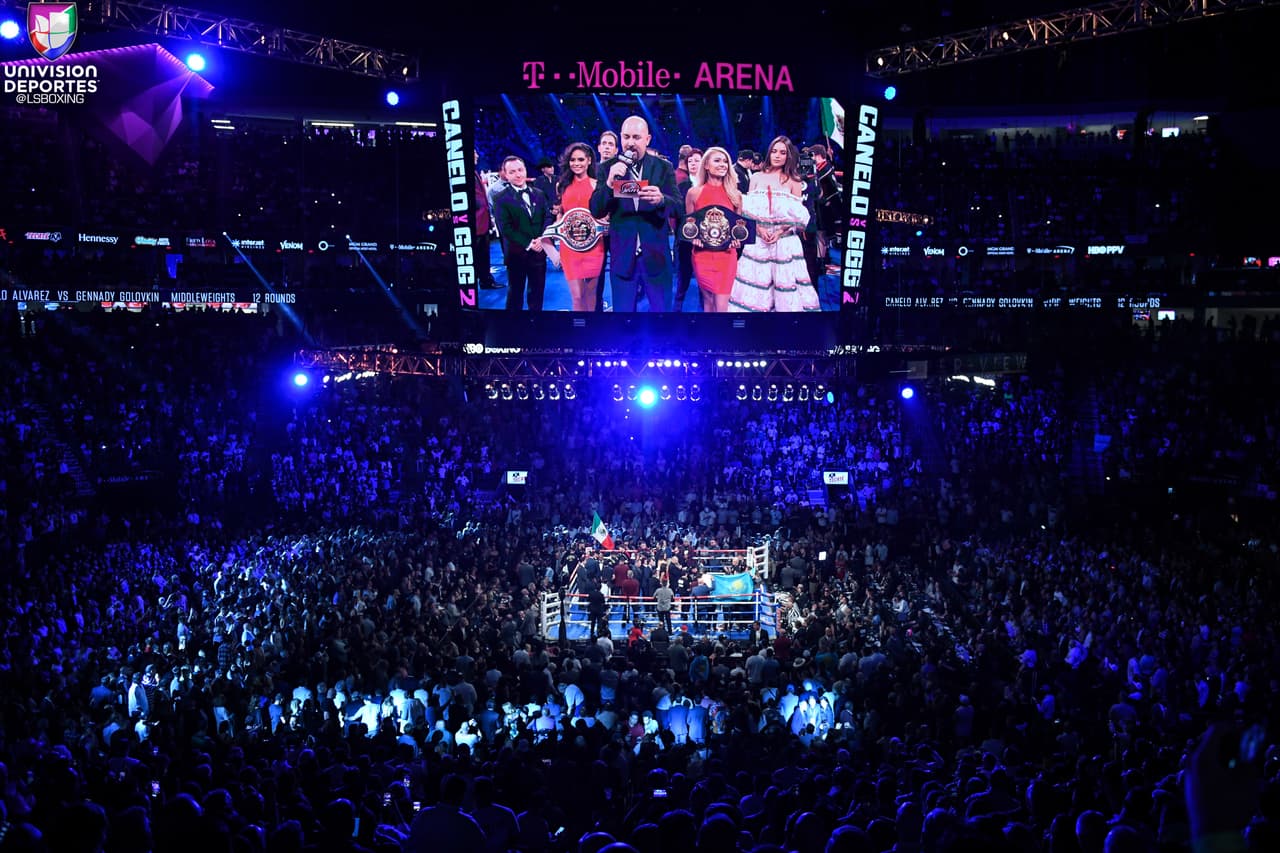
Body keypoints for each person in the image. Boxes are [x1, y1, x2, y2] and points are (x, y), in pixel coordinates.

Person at [590, 115, 679, 312]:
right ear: (621, 138)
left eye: (636, 137)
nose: (630, 143)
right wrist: (609, 183)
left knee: (661, 319)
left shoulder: (663, 167)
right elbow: (596, 209)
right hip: (623, 259)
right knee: (623, 322)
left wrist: (662, 199)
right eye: (627, 137)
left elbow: (679, 207)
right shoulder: (607, 168)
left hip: (657, 258)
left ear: (647, 139)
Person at [728, 135, 818, 313]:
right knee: (754, 296)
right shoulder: (756, 178)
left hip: (785, 243)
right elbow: (748, 212)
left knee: (786, 295)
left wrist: (780, 232)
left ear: (788, 156)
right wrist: (759, 230)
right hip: (759, 243)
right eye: (774, 151)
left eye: (782, 152)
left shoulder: (795, 181)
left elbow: (797, 217)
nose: (777, 155)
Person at [684, 147, 742, 313]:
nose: (723, 164)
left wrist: (737, 240)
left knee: (722, 307)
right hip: (702, 255)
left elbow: (737, 229)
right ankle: (709, 338)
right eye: (717, 160)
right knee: (708, 303)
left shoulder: (735, 195)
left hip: (727, 256)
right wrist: (692, 238)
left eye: (725, 161)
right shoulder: (693, 193)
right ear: (706, 166)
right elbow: (690, 226)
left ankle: (722, 338)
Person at [492, 156, 550, 311]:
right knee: (515, 295)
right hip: (517, 255)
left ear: (525, 170)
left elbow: (548, 217)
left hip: (539, 253)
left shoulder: (539, 193)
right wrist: (530, 243)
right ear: (505, 174)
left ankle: (535, 326)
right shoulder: (500, 198)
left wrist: (542, 239)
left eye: (520, 170)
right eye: (512, 172)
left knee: (537, 294)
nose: (518, 174)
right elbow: (506, 228)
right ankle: (512, 329)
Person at [553, 142, 605, 312]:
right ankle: (579, 331)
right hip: (570, 248)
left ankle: (591, 330)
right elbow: (560, 214)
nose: (576, 163)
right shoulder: (561, 186)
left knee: (591, 294)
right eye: (573, 160)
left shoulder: (597, 185)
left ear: (589, 161)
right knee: (577, 296)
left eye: (581, 159)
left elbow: (603, 215)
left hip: (594, 246)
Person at [673, 147, 703, 311]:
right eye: (690, 161)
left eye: (696, 161)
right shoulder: (683, 185)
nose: (692, 164)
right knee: (683, 276)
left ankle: (703, 309)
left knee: (703, 279)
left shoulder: (707, 186)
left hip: (706, 240)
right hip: (685, 240)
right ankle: (677, 309)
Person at [594, 130, 620, 312]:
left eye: (611, 144)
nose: (607, 147)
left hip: (615, 228)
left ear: (616, 149)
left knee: (619, 269)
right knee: (597, 272)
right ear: (599, 147)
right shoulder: (590, 170)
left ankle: (620, 308)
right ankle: (597, 307)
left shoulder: (620, 170)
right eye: (604, 143)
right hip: (594, 231)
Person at [474, 152, 502, 289]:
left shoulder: (474, 172)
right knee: (479, 254)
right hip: (475, 221)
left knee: (484, 253)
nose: (477, 155)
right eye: (474, 153)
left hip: (482, 220)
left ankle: (486, 280)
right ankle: (484, 280)